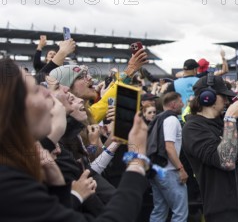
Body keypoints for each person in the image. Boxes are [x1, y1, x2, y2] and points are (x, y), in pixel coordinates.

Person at [0, 58, 149, 221]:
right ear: (9, 110)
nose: (48, 93)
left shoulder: (30, 160)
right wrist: (136, 162)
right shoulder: (9, 184)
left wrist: (60, 188)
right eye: (36, 90)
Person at [183, 74, 238, 222]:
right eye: (223, 96)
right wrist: (230, 119)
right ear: (207, 98)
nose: (226, 101)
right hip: (226, 213)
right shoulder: (192, 129)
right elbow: (226, 161)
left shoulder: (225, 120)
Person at [148, 92, 188, 222]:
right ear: (173, 104)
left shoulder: (159, 118)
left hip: (156, 170)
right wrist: (180, 169)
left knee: (159, 210)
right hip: (170, 171)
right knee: (180, 212)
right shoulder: (171, 120)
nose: (183, 104)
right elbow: (169, 147)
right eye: (181, 101)